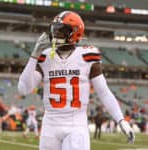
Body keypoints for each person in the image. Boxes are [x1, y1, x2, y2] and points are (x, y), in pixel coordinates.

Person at [18, 10, 135, 150]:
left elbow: (104, 92)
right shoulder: (45, 57)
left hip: (76, 125)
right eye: (54, 30)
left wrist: (121, 120)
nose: (55, 34)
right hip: (49, 124)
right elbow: (23, 89)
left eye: (61, 30)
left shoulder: (87, 56)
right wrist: (34, 55)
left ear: (75, 32)